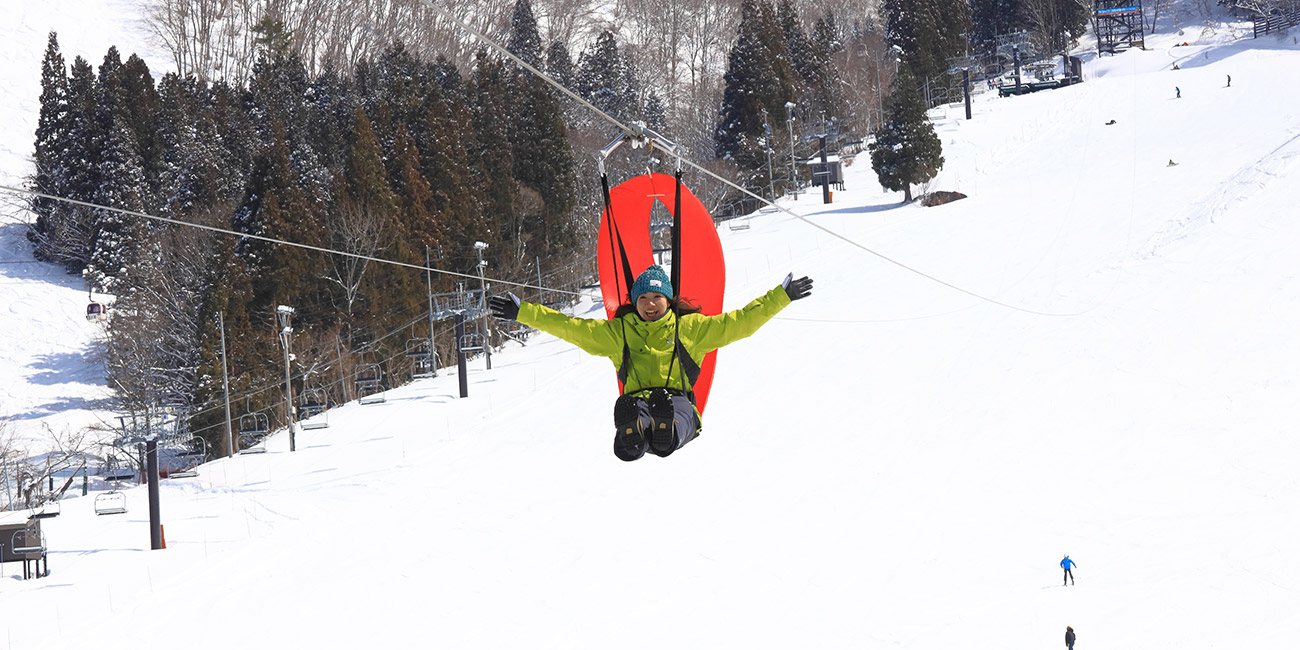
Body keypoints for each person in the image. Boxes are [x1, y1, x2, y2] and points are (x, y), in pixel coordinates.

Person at [488, 264, 813, 461]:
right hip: (639, 402)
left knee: (675, 420)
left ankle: (659, 429)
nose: (649, 304)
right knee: (637, 427)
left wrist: (781, 296)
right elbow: (572, 328)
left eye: (656, 297)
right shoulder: (620, 333)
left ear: (668, 300)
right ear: (636, 301)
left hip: (678, 402)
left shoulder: (691, 329)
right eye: (642, 298)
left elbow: (740, 322)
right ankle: (635, 432)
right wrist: (524, 312)